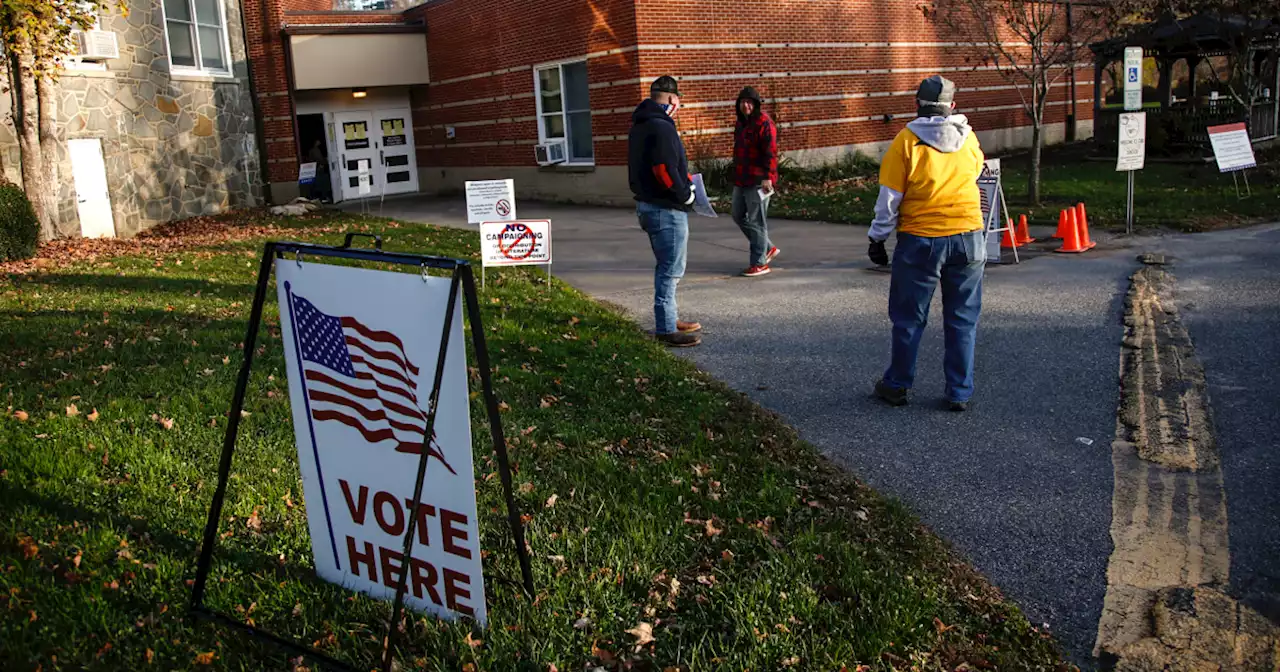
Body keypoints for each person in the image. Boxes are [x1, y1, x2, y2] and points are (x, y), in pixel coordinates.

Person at [868, 75, 986, 412]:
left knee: (908, 318)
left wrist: (877, 239)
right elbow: (975, 174)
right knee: (962, 319)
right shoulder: (969, 139)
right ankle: (959, 392)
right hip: (969, 237)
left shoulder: (905, 142)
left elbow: (889, 200)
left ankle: (897, 385)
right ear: (952, 106)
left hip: (922, 238)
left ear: (917, 104)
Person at [628, 75, 702, 347]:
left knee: (667, 267)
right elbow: (663, 170)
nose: (678, 105)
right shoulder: (662, 127)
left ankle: (668, 317)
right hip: (665, 208)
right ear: (672, 98)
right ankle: (666, 328)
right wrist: (686, 194)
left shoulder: (641, 124)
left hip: (647, 205)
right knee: (670, 270)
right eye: (678, 100)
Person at [731, 86, 780, 277]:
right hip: (741, 178)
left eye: (750, 102)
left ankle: (760, 263)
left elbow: (770, 152)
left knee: (757, 221)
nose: (746, 105)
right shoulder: (741, 123)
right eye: (742, 102)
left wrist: (768, 177)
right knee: (737, 215)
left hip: (759, 180)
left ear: (756, 105)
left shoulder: (764, 123)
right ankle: (767, 248)